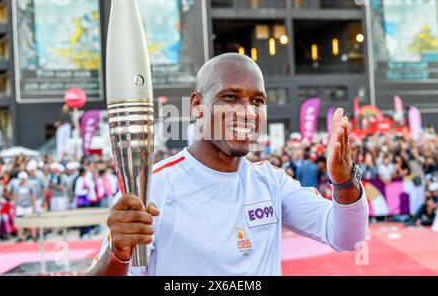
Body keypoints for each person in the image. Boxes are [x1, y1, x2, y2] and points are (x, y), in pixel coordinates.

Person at [88, 54, 367, 276]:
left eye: (257, 101)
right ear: (197, 105)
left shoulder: (271, 182)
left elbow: (347, 238)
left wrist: (344, 182)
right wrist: (118, 251)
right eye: (231, 97)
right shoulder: (153, 189)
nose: (247, 112)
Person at [12, 172, 37, 242]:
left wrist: (34, 206)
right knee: (20, 222)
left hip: (28, 206)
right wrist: (14, 206)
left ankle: (34, 235)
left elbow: (33, 196)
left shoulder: (30, 186)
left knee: (31, 222)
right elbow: (15, 196)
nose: (22, 180)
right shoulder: (17, 187)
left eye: (23, 179)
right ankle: (20, 236)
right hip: (20, 206)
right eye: (21, 179)